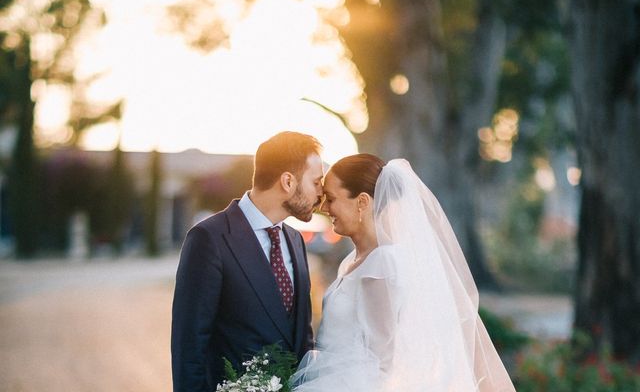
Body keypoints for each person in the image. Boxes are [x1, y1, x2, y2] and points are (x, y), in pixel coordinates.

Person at [291, 153, 516, 392]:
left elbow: (379, 360)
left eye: (332, 199)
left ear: (362, 202)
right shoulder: (353, 261)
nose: (324, 207)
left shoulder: (381, 263)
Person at [171, 131, 324, 392]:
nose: (321, 194)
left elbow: (302, 337)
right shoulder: (209, 239)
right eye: (316, 182)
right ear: (288, 181)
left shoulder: (295, 241)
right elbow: (189, 347)